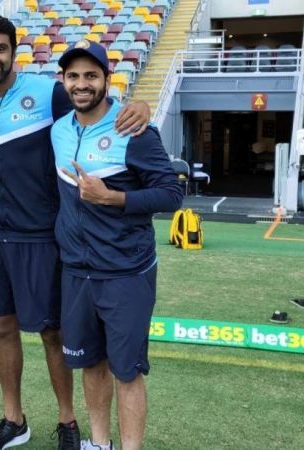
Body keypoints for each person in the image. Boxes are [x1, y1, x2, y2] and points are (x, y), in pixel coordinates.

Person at [0, 15, 151, 450]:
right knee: (2, 328)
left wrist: (138, 106)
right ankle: (13, 421)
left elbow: (94, 107)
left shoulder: (49, 93)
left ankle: (68, 422)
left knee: (53, 332)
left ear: (14, 50)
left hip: (42, 235)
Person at [51, 40, 183, 450]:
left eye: (91, 75)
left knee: (126, 371)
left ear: (108, 79)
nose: (82, 84)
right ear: (63, 82)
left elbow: (170, 194)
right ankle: (99, 443)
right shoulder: (59, 128)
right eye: (74, 76)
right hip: (77, 271)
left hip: (126, 273)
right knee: (90, 364)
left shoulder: (133, 128)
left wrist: (113, 198)